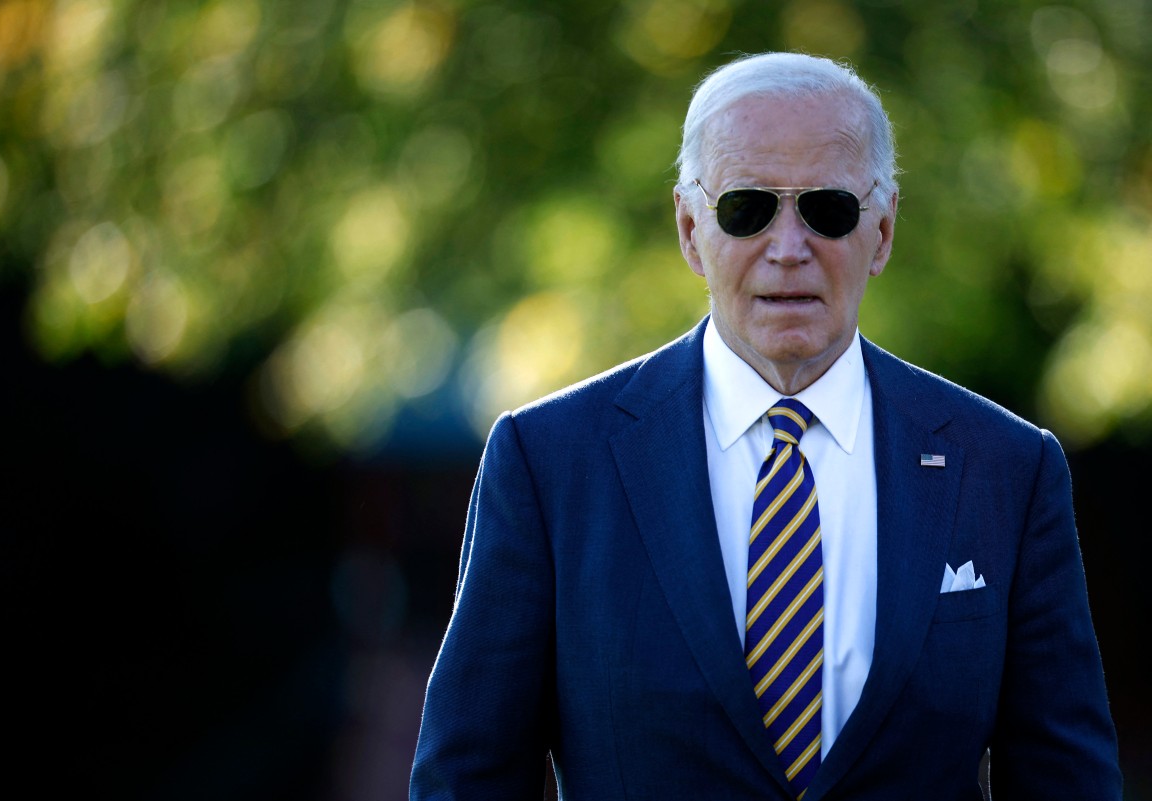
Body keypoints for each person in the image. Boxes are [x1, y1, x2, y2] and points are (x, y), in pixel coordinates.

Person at [409, 51, 1122, 800]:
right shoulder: (549, 463)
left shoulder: (1005, 467)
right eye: (747, 208)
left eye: (828, 209)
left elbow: (1066, 778)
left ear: (880, 232)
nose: (789, 248)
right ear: (690, 229)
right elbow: (469, 778)